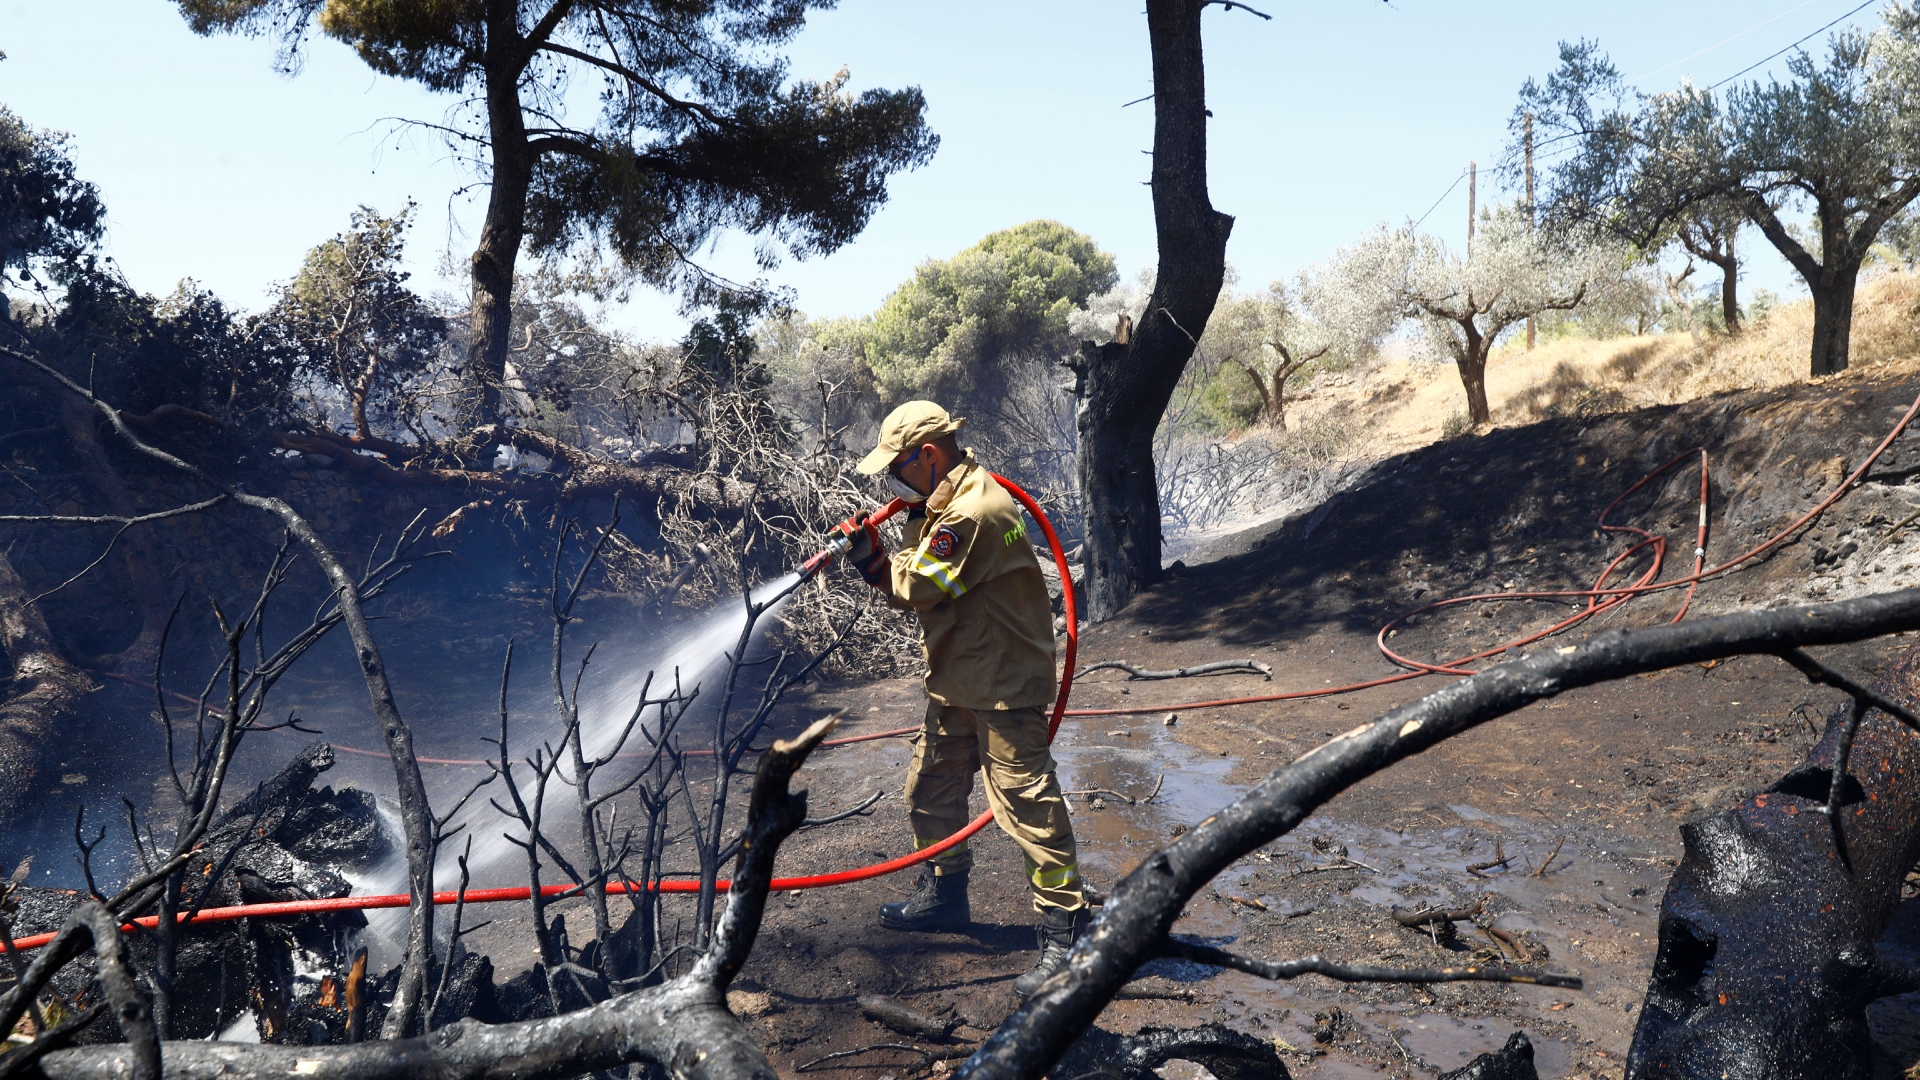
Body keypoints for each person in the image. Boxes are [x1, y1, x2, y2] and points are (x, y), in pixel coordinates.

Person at [836, 400, 1087, 997]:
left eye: (897, 469)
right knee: (930, 787)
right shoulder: (946, 501)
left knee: (1027, 804)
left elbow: (921, 584)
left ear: (928, 456)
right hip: (958, 676)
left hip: (1000, 683)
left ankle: (1064, 934)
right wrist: (909, 517)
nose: (892, 483)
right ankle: (945, 897)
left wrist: (870, 559)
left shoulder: (973, 511)